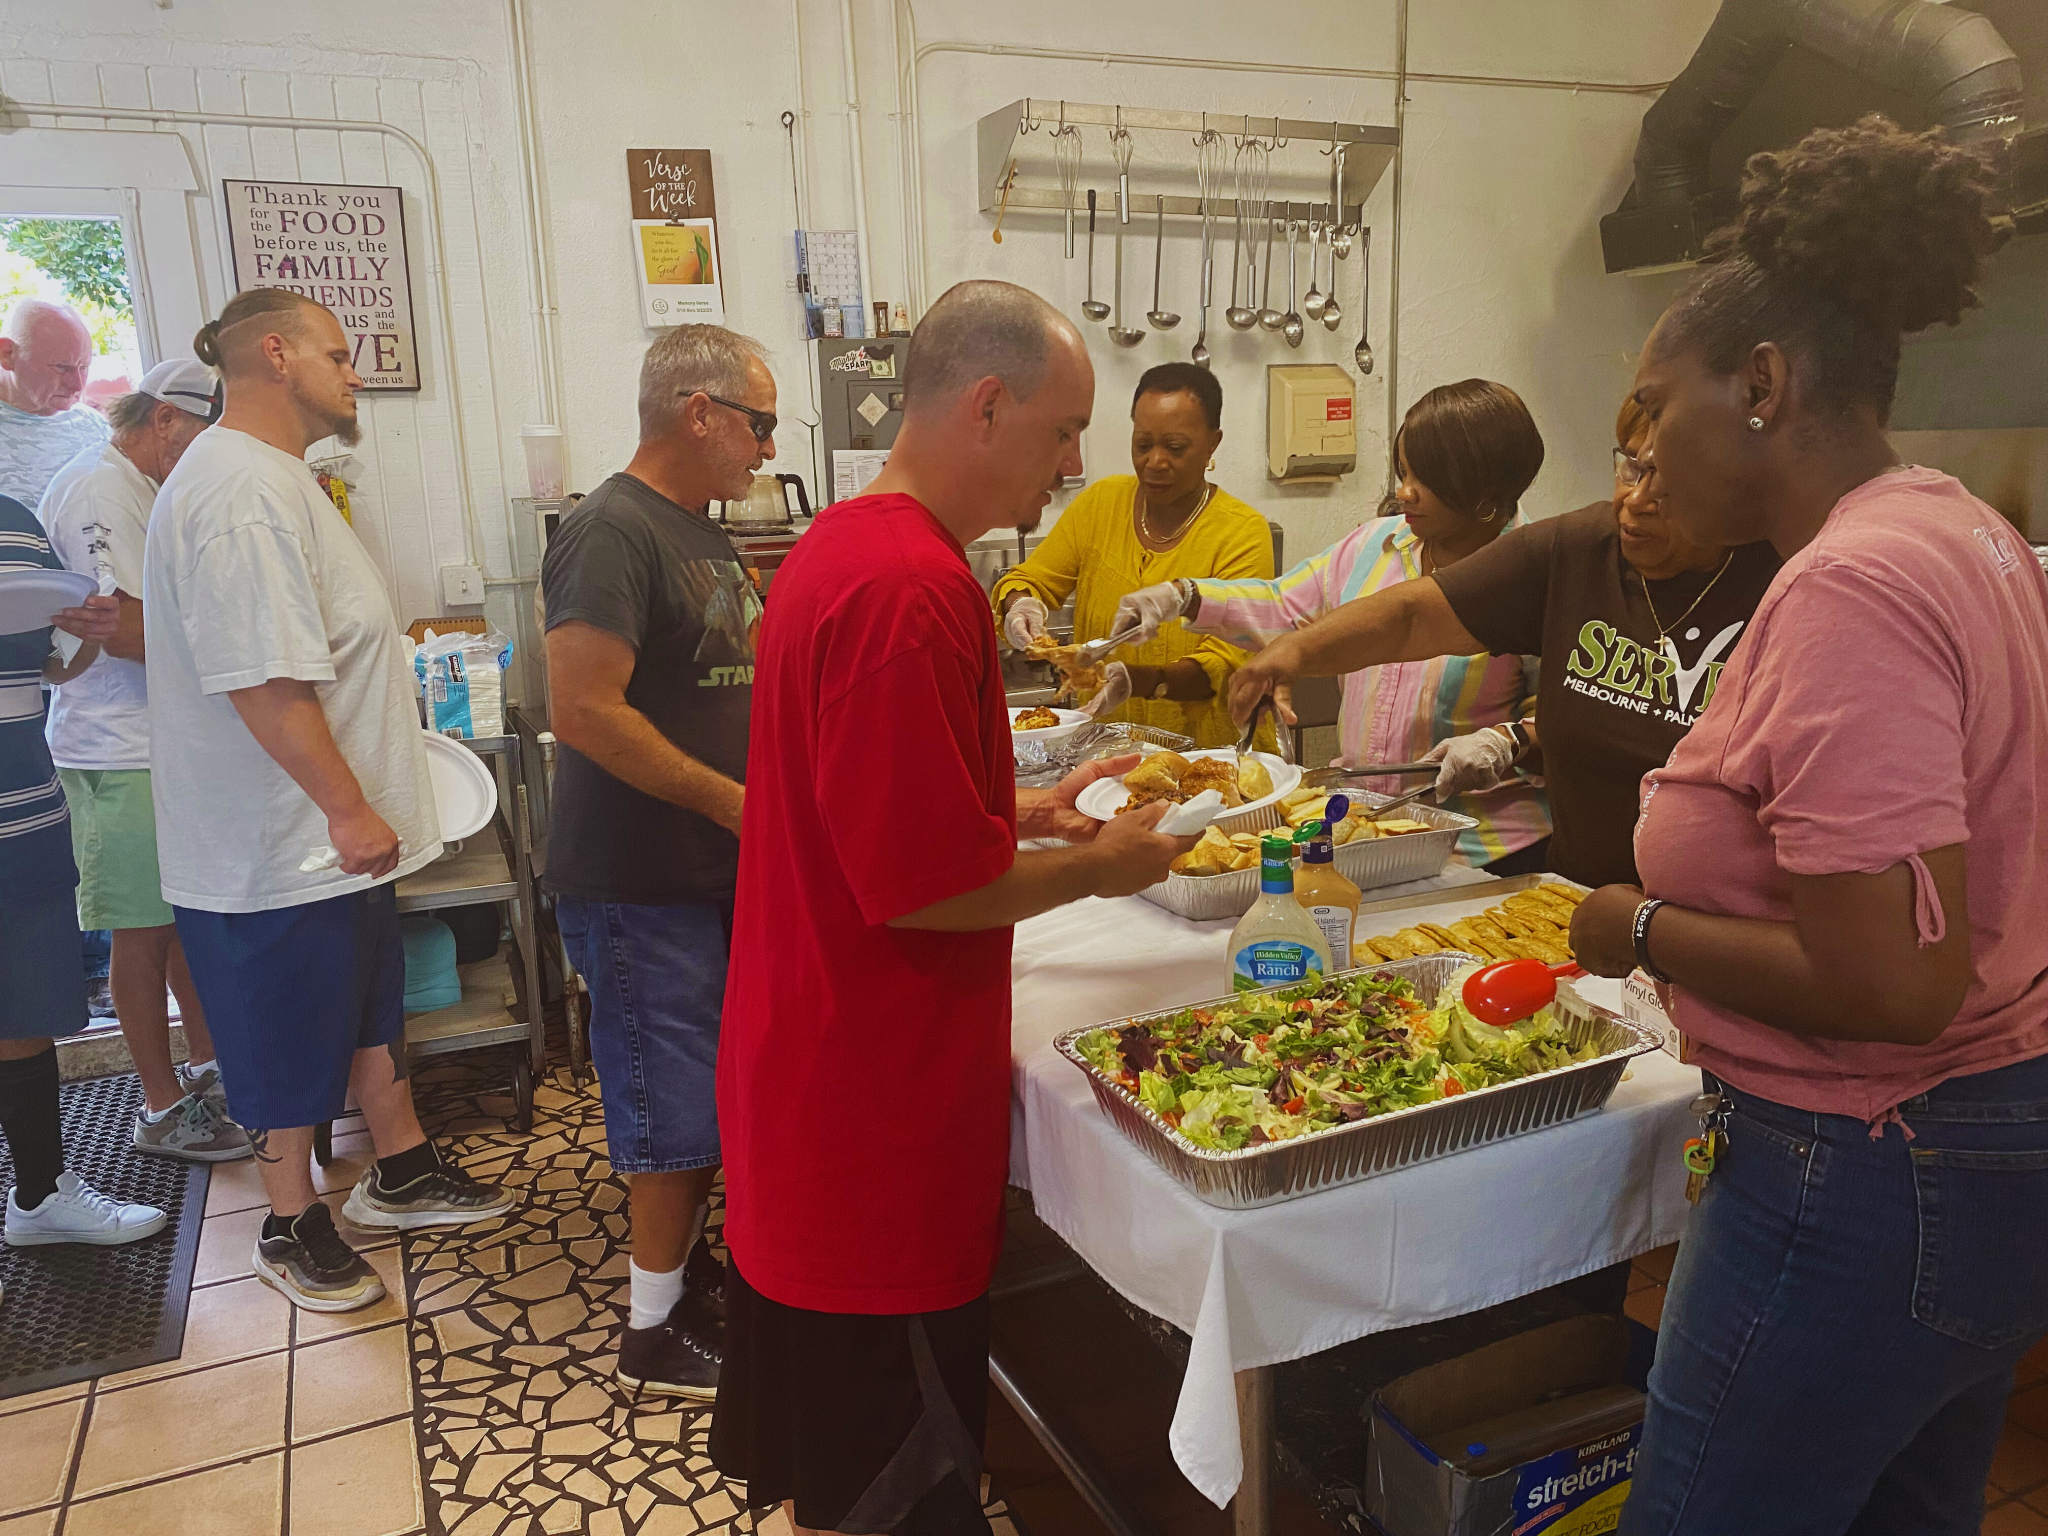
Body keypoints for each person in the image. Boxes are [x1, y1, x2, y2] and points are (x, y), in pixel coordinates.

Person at [1561, 118, 2048, 1536]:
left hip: (1864, 1174)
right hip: (1987, 1143)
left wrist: (1634, 927)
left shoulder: (1853, 589)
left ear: (1763, 384)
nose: (1642, 447)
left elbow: (1896, 981)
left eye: (1658, 405)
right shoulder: (1969, 533)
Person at [711, 280, 1192, 1535]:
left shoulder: (849, 548)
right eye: (1064, 429)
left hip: (811, 1091)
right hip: (867, 1133)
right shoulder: (907, 592)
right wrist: (1107, 864)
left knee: (854, 1473)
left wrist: (1024, 811)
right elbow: (925, 892)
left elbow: (858, 811)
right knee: (894, 1490)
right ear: (988, 407)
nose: (1076, 465)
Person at [146, 289, 511, 1313]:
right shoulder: (236, 493)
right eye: (339, 354)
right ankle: (288, 1219)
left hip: (328, 841)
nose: (354, 373)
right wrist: (348, 809)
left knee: (362, 1011)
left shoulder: (279, 480)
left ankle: (396, 1169)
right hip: (276, 847)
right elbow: (264, 679)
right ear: (276, 355)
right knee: (284, 1036)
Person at [1180, 395, 1781, 889]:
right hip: (1574, 891)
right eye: (1630, 466)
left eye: (1667, 482)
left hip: (1686, 915)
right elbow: (1414, 616)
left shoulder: (1783, 582)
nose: (1636, 499)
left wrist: (1510, 737)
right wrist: (1291, 651)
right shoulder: (1573, 548)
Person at [542, 324, 775, 1400]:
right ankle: (651, 1327)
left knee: (710, 1092)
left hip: (708, 872)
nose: (765, 449)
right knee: (664, 1100)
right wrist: (732, 803)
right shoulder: (609, 532)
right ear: (700, 411)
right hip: (641, 881)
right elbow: (583, 710)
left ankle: (691, 1276)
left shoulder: (704, 537)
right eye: (757, 423)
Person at [1114, 379, 1552, 872]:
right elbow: (1284, 606)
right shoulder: (1377, 545)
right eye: (1403, 471)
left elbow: (1569, 727)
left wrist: (1505, 742)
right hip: (1364, 832)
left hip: (1483, 853)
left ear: (1484, 498)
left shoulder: (1536, 578)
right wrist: (1185, 597)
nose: (1403, 492)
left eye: (1426, 480)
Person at [39, 359, 248, 1161]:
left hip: (155, 746)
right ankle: (161, 1108)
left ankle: (207, 1069)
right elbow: (118, 629)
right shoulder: (100, 490)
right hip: (114, 749)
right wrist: (233, 659)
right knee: (142, 935)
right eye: (197, 434)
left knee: (183, 926)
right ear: (163, 418)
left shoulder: (143, 488)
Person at [0, 493, 167, 1252]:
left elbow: (52, 669)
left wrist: (90, 634)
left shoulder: (18, 524)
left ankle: (40, 1194)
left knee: (27, 1015)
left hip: (28, 812)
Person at [991, 362, 1274, 746]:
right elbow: (1033, 579)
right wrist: (1021, 605)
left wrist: (1140, 681)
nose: (1154, 462)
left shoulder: (1241, 533)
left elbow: (1225, 663)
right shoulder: (1101, 504)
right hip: (1107, 758)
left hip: (1209, 759)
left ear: (1212, 443)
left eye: (1175, 447)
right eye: (1142, 445)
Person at [0, 299, 119, 1014]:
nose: (76, 381)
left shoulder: (87, 431)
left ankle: (84, 968)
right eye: (60, 366)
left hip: (63, 636)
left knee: (55, 816)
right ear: (7, 355)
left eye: (84, 366)